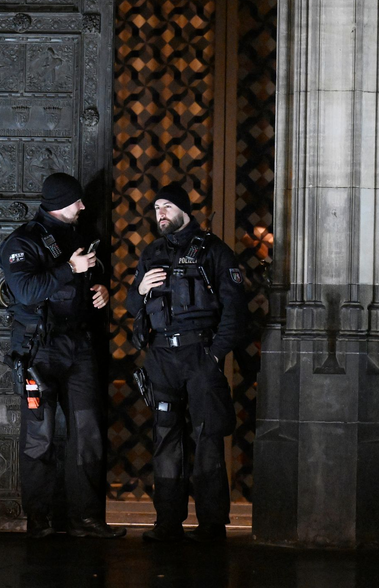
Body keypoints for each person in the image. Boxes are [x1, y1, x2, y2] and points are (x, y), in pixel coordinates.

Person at [0, 172, 125, 539]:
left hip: (80, 347)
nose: (83, 207)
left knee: (87, 433)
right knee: (40, 435)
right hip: (38, 349)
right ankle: (40, 521)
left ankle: (86, 519)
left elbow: (95, 272)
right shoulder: (22, 241)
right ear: (57, 203)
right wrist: (70, 268)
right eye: (76, 201)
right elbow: (25, 290)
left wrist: (101, 287)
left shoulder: (81, 235)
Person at [126, 184, 247, 543]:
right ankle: (168, 522)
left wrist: (213, 356)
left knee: (208, 437)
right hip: (161, 356)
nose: (160, 212)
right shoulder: (151, 253)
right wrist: (142, 290)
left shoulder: (215, 252)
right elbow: (133, 307)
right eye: (156, 207)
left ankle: (211, 525)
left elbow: (235, 314)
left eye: (166, 206)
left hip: (199, 355)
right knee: (165, 438)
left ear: (184, 210)